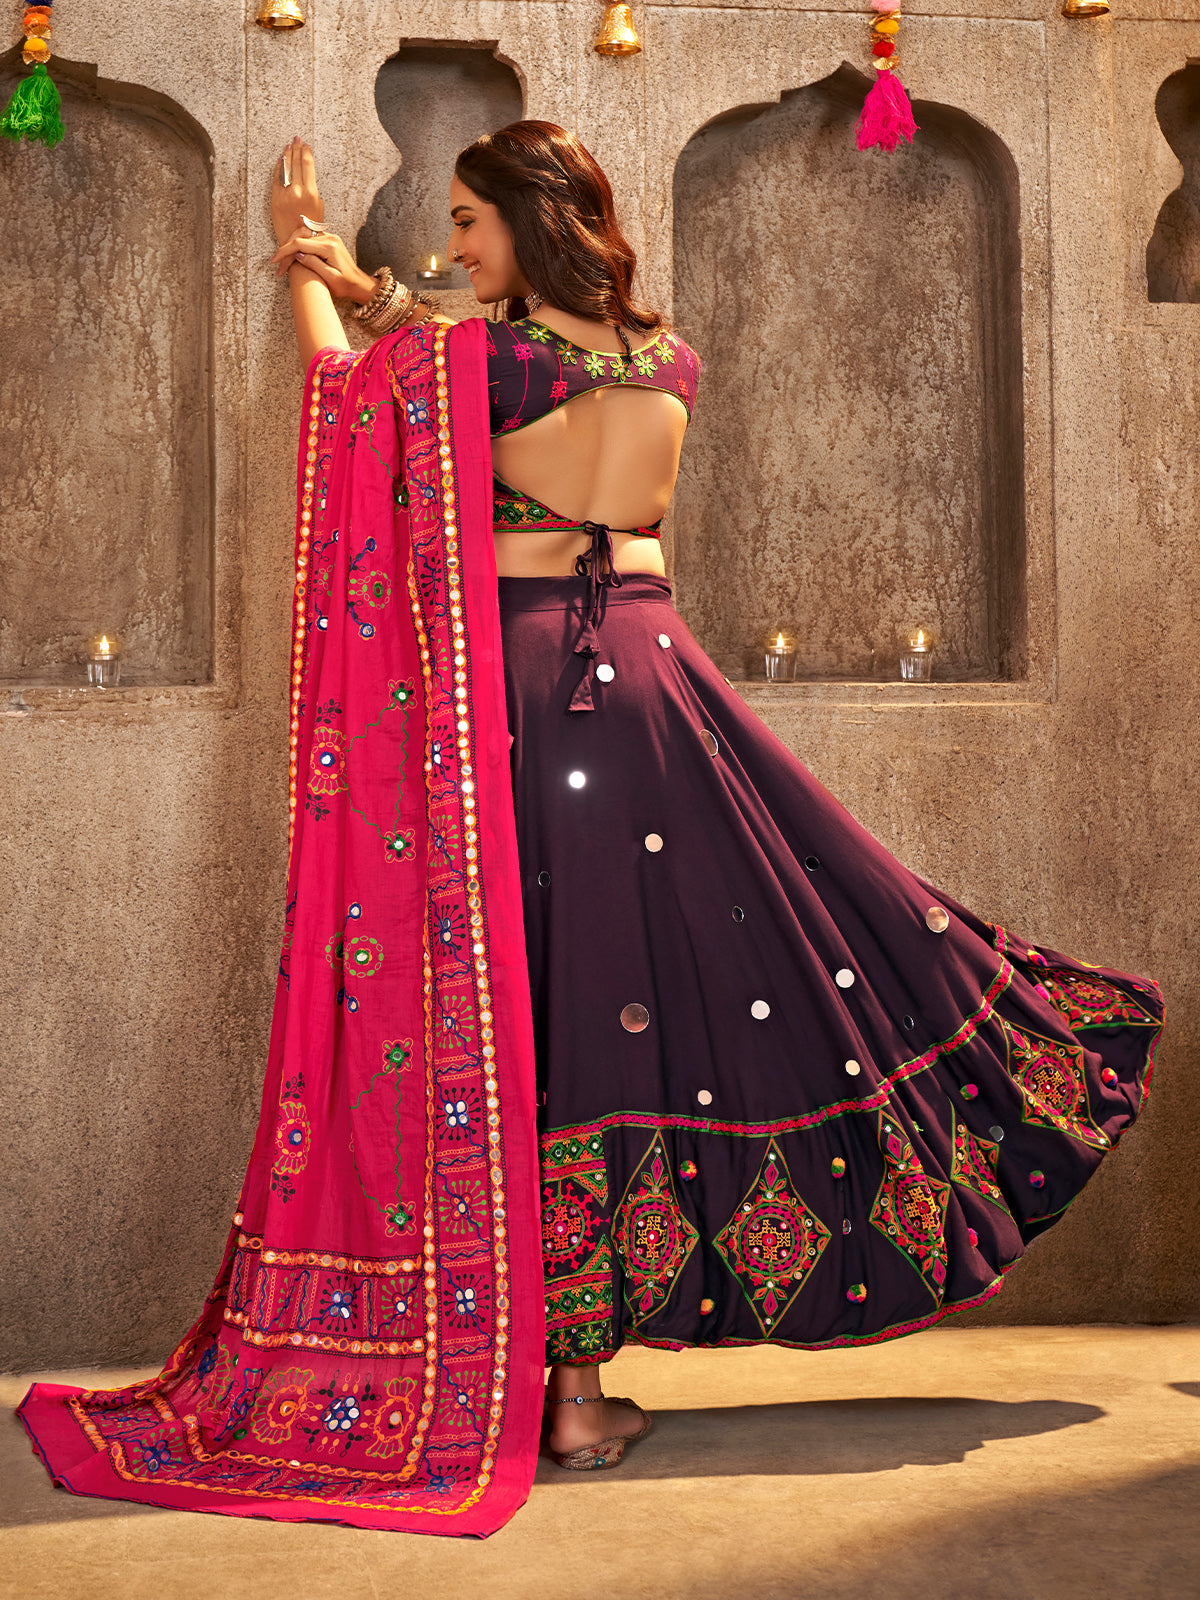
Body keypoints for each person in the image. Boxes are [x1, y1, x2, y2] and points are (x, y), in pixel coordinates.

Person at [17, 121, 1162, 1533]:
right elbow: (494, 361)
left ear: (526, 223)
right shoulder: (667, 358)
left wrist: (303, 272)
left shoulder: (477, 365)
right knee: (682, 985)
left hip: (523, 703)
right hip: (655, 687)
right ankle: (584, 1387)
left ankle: (565, 1390)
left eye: (469, 221)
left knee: (545, 1018)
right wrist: (386, 293)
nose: (455, 248)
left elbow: (346, 392)